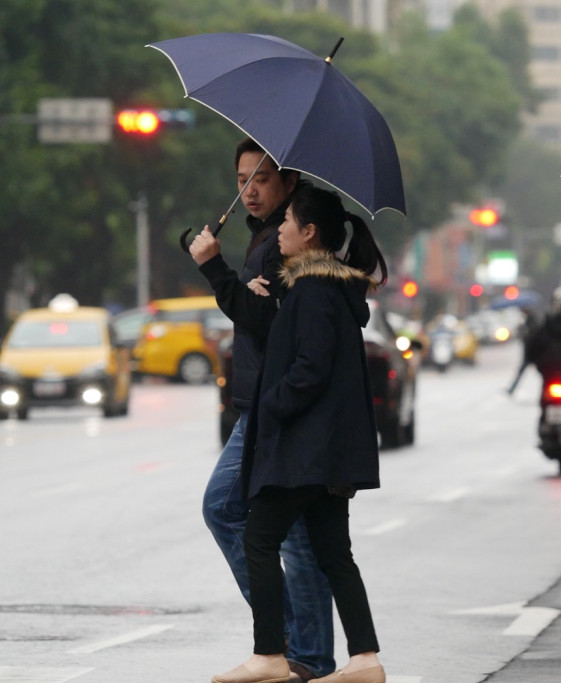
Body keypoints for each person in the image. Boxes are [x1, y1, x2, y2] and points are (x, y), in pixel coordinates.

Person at [212, 187, 388, 683]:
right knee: (334, 552)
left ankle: (269, 654)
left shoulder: (312, 291)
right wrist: (277, 302)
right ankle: (364, 660)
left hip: (304, 450)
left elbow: (309, 370)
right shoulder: (317, 290)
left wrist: (270, 407)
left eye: (287, 220)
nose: (280, 229)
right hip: (327, 451)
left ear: (309, 233)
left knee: (259, 538)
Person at [190, 138, 334, 682]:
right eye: (243, 179)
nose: (250, 191)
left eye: (263, 178)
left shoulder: (286, 244)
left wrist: (214, 269)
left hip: (275, 405)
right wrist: (239, 285)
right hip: (261, 400)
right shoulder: (266, 240)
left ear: (289, 182)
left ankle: (296, 647)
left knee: (236, 512)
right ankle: (306, 654)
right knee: (284, 532)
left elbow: (269, 321)